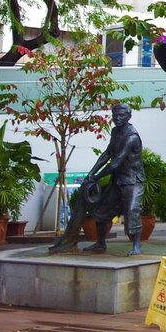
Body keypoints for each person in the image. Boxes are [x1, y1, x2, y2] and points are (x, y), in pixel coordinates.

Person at [49, 103, 144, 256]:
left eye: (121, 115)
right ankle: (100, 243)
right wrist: (90, 174)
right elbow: (107, 154)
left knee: (132, 210)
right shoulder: (115, 132)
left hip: (132, 181)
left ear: (128, 117)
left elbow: (115, 163)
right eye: (115, 116)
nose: (117, 118)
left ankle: (137, 245)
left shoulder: (131, 137)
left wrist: (96, 177)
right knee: (102, 211)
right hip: (118, 180)